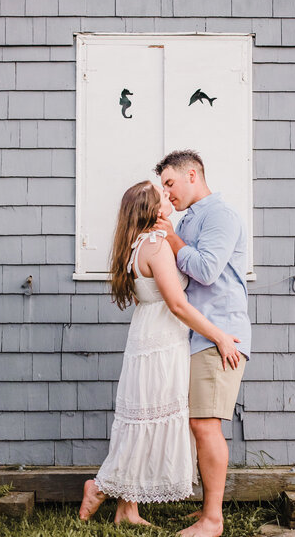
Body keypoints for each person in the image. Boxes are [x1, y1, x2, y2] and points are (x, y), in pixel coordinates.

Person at [79, 180, 242, 527]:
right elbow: (179, 304)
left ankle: (128, 510)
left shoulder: (135, 245)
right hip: (163, 343)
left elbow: (147, 299)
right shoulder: (155, 244)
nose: (168, 197)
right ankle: (100, 486)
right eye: (162, 195)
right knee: (149, 421)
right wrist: (220, 336)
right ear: (153, 211)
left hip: (145, 337)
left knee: (141, 421)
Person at [153, 150, 251, 537]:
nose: (167, 193)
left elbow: (207, 271)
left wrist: (172, 237)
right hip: (199, 336)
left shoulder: (220, 215)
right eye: (163, 187)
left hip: (221, 334)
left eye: (170, 184)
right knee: (198, 423)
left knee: (206, 424)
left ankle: (213, 520)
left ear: (192, 175)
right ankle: (206, 513)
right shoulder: (190, 218)